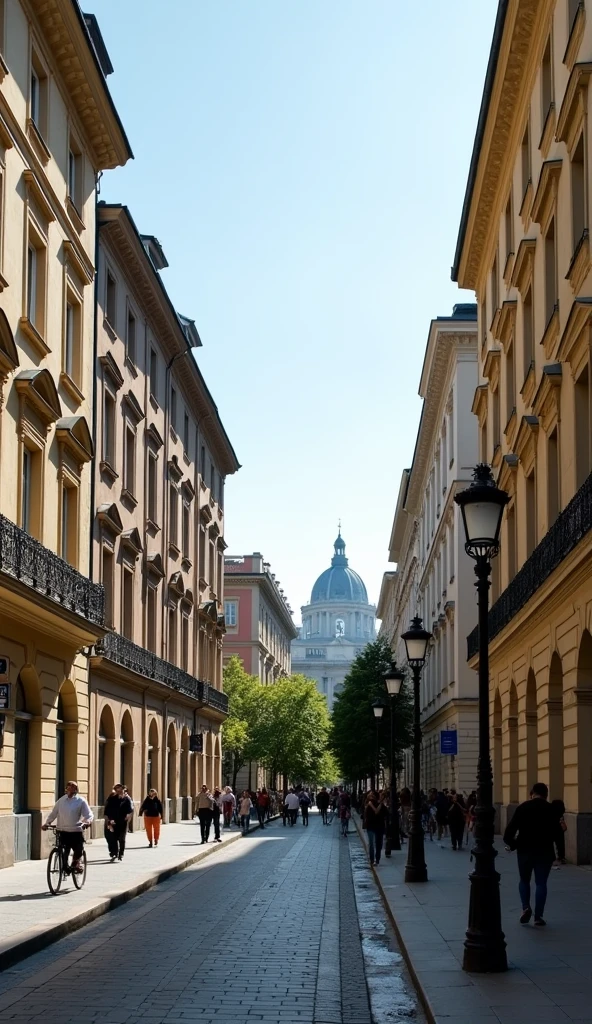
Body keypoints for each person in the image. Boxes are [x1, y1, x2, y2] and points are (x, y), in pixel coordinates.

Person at [503, 782, 563, 926]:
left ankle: (525, 907)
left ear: (532, 793)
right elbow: (558, 834)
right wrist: (560, 854)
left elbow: (508, 833)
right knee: (541, 883)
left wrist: (514, 845)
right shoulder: (551, 809)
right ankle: (538, 917)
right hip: (545, 851)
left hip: (525, 851)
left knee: (524, 880)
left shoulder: (523, 807)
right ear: (546, 794)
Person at [42, 781, 93, 874]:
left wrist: (87, 821)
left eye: (73, 788)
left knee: (78, 850)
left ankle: (75, 864)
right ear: (66, 789)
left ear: (76, 790)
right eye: (69, 787)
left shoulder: (81, 800)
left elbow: (88, 814)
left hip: (75, 830)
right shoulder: (61, 801)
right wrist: (47, 823)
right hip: (62, 830)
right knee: (64, 849)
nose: (71, 789)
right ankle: (65, 867)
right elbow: (53, 813)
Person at [104, 783, 133, 861]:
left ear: (123, 789)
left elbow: (130, 810)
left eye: (120, 789)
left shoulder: (126, 799)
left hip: (123, 821)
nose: (119, 791)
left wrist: (128, 816)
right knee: (112, 838)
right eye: (117, 789)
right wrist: (108, 819)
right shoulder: (112, 798)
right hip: (113, 821)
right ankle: (114, 853)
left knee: (122, 838)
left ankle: (121, 853)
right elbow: (107, 809)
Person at [364, 790, 387, 866]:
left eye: (371, 795)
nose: (370, 796)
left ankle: (376, 859)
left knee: (377, 844)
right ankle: (373, 860)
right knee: (373, 843)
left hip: (377, 826)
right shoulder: (368, 804)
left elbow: (384, 814)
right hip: (371, 826)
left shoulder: (380, 805)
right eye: (369, 795)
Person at [550, 798, 567, 865]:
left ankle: (552, 857)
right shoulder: (561, 813)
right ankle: (561, 857)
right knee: (560, 844)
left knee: (550, 844)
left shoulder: (551, 813)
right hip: (559, 830)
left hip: (551, 829)